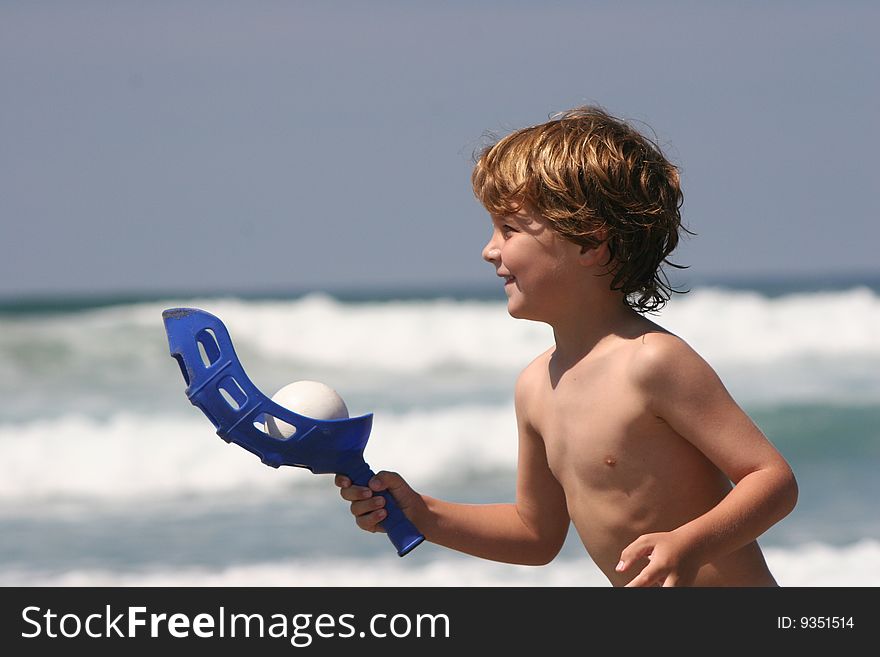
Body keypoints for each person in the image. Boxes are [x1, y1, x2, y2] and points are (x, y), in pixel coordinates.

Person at [335, 105, 798, 586]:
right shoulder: (536, 387)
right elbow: (535, 535)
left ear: (588, 244)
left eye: (509, 229)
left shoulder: (652, 362)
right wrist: (424, 513)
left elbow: (772, 481)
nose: (489, 249)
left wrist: (689, 543)